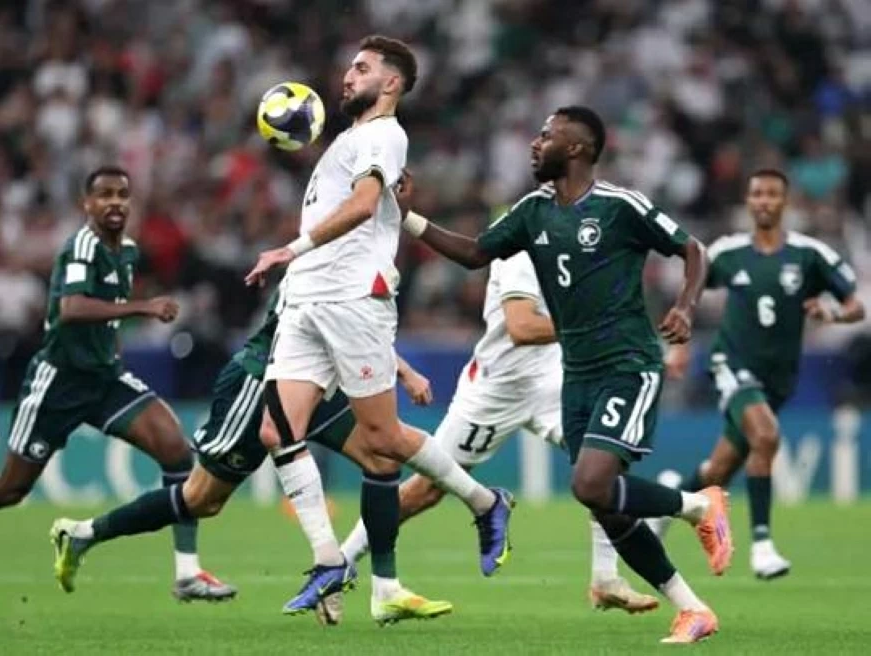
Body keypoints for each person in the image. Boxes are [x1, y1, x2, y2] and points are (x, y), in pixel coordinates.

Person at [395, 106, 734, 644]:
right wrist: (408, 217)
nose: (535, 143)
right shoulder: (533, 211)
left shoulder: (619, 206)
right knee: (603, 500)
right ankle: (692, 609)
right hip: (577, 374)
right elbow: (475, 253)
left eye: (546, 135)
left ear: (576, 148)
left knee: (590, 484)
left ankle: (697, 505)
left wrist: (686, 307)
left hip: (627, 366)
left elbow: (692, 249)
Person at [243, 35, 513, 622]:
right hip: (306, 300)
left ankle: (486, 502)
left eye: (362, 68)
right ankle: (327, 561)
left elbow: (365, 204)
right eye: (349, 66)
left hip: (352, 300)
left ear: (391, 83)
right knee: (275, 431)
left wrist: (290, 249)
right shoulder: (349, 139)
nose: (348, 76)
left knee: (383, 440)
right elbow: (377, 206)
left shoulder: (385, 136)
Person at [0, 166, 232, 603]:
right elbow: (72, 308)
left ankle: (187, 573)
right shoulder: (82, 247)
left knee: (175, 448)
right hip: (58, 383)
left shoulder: (127, 251)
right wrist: (144, 307)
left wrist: (112, 348)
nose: (114, 202)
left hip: (105, 378)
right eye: (104, 195)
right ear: (86, 204)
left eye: (122, 194)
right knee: (9, 488)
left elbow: (105, 315)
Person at [49, 284, 464, 625]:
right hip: (261, 383)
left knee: (382, 457)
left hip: (316, 383)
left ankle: (383, 589)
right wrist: (404, 371)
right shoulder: (320, 262)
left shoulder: (356, 254)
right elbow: (341, 330)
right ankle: (85, 533)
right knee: (201, 500)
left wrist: (400, 369)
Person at [340, 245, 658, 614]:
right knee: (425, 490)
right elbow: (522, 327)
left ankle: (605, 579)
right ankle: (341, 561)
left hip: (552, 380)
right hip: (495, 389)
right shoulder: (519, 251)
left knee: (604, 464)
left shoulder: (572, 245)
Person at [656, 169, 865, 579]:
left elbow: (855, 304)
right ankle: (762, 546)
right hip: (732, 363)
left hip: (779, 377)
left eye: (772, 194)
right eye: (757, 194)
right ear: (748, 201)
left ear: (785, 201)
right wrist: (680, 344)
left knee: (718, 471)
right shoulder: (728, 252)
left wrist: (833, 313)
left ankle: (665, 503)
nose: (764, 201)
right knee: (766, 436)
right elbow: (690, 291)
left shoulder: (809, 255)